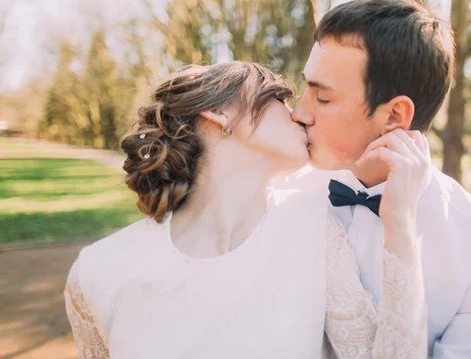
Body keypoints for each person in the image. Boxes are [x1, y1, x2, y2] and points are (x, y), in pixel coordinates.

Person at [64, 62, 430, 358]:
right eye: (280, 98)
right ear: (219, 112)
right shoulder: (96, 273)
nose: (301, 114)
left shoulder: (312, 226)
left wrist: (400, 221)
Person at [278, 0, 471, 358]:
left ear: (394, 116)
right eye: (306, 87)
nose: (298, 112)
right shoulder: (277, 193)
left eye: (322, 97)